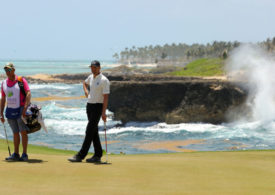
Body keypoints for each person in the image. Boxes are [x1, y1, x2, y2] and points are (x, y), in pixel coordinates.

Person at [68, 60, 110, 163]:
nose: (93, 69)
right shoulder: (91, 77)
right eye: (91, 67)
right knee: (93, 131)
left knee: (89, 131)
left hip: (97, 107)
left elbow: (106, 98)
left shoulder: (104, 80)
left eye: (95, 67)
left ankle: (80, 155)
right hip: (89, 106)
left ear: (99, 68)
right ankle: (98, 154)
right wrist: (86, 91)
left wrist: (104, 113)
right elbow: (84, 83)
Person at [0, 63, 31, 161]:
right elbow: (3, 98)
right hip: (10, 111)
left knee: (23, 132)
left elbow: (28, 93)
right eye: (6, 71)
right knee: (15, 133)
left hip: (21, 109)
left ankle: (24, 154)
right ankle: (16, 154)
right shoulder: (4, 83)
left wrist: (25, 108)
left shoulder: (21, 80)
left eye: (9, 70)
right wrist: (1, 112)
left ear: (14, 70)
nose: (7, 72)